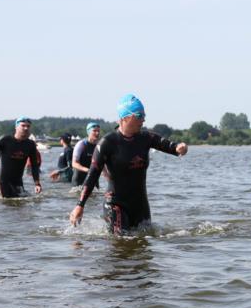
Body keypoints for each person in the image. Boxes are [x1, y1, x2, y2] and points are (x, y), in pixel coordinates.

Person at [69, 94, 188, 233]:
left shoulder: (146, 138)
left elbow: (172, 147)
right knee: (121, 241)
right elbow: (92, 175)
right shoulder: (107, 143)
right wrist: (80, 205)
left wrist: (180, 148)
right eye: (139, 115)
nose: (143, 119)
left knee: (146, 241)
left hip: (140, 205)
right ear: (125, 117)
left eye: (144, 115)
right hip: (115, 204)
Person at [71, 122, 102, 187]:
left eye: (98, 131)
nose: (97, 133)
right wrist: (88, 170)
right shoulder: (81, 144)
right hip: (79, 180)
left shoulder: (99, 146)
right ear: (88, 132)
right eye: (94, 131)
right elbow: (74, 163)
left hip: (93, 179)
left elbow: (102, 164)